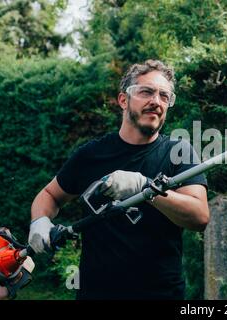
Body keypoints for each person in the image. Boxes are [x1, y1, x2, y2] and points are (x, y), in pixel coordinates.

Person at [27, 59, 210, 300]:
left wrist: (145, 187)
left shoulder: (179, 152)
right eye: (146, 92)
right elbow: (50, 195)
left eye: (165, 96)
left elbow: (199, 216)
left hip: (160, 294)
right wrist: (39, 221)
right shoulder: (92, 154)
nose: (156, 101)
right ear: (123, 100)